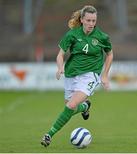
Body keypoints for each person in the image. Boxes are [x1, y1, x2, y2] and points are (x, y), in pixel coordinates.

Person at [41, 5, 113, 147]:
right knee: (70, 107)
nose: (91, 24)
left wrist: (104, 75)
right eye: (88, 20)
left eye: (94, 21)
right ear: (82, 19)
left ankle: (49, 134)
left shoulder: (102, 37)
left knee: (71, 104)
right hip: (71, 74)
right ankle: (85, 107)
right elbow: (60, 54)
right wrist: (60, 67)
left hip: (90, 75)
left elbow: (110, 54)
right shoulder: (72, 34)